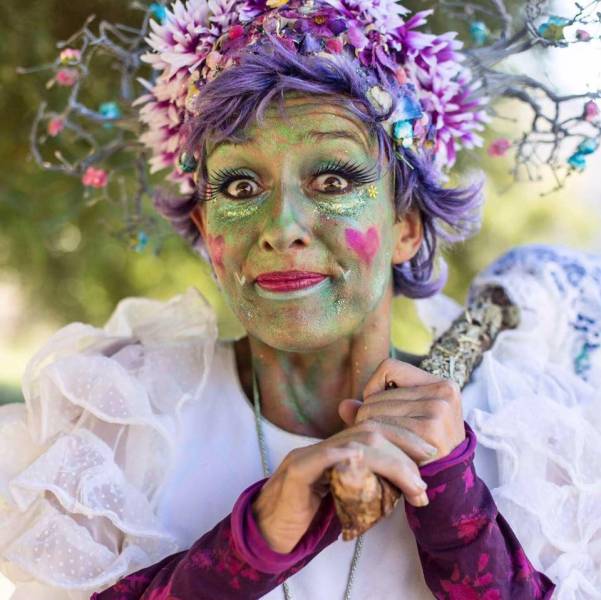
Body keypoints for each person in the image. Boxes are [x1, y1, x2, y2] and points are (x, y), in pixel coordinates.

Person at [1, 0, 599, 598]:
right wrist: (250, 545)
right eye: (241, 186)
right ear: (208, 232)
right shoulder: (120, 423)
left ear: (406, 226)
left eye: (333, 180)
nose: (282, 227)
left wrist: (455, 510)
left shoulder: (526, 446)